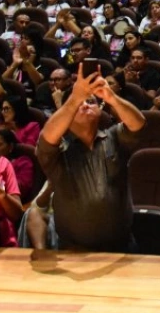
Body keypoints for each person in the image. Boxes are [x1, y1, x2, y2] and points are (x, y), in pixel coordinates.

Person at [36, 64, 146, 252]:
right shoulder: (59, 150)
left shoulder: (114, 137)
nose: (85, 104)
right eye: (80, 104)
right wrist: (75, 98)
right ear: (68, 112)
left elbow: (138, 124)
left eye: (91, 101)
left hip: (122, 248)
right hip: (73, 251)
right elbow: (46, 138)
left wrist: (111, 97)